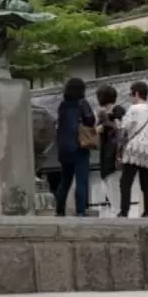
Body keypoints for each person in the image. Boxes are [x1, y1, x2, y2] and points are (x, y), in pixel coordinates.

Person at [54, 77, 96, 216]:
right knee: (81, 180)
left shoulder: (62, 106)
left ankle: (59, 211)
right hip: (79, 146)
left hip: (64, 148)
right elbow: (90, 120)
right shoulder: (82, 103)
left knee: (65, 181)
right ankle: (80, 212)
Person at [117, 81, 148, 218]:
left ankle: (124, 211)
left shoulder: (133, 109)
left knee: (125, 181)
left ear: (137, 94)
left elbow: (125, 128)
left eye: (131, 94)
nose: (131, 97)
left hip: (134, 147)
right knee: (145, 182)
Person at [94, 86, 124, 217]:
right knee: (113, 182)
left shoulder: (105, 114)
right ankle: (118, 209)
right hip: (118, 152)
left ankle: (117, 210)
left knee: (112, 182)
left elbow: (97, 130)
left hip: (110, 153)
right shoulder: (120, 111)